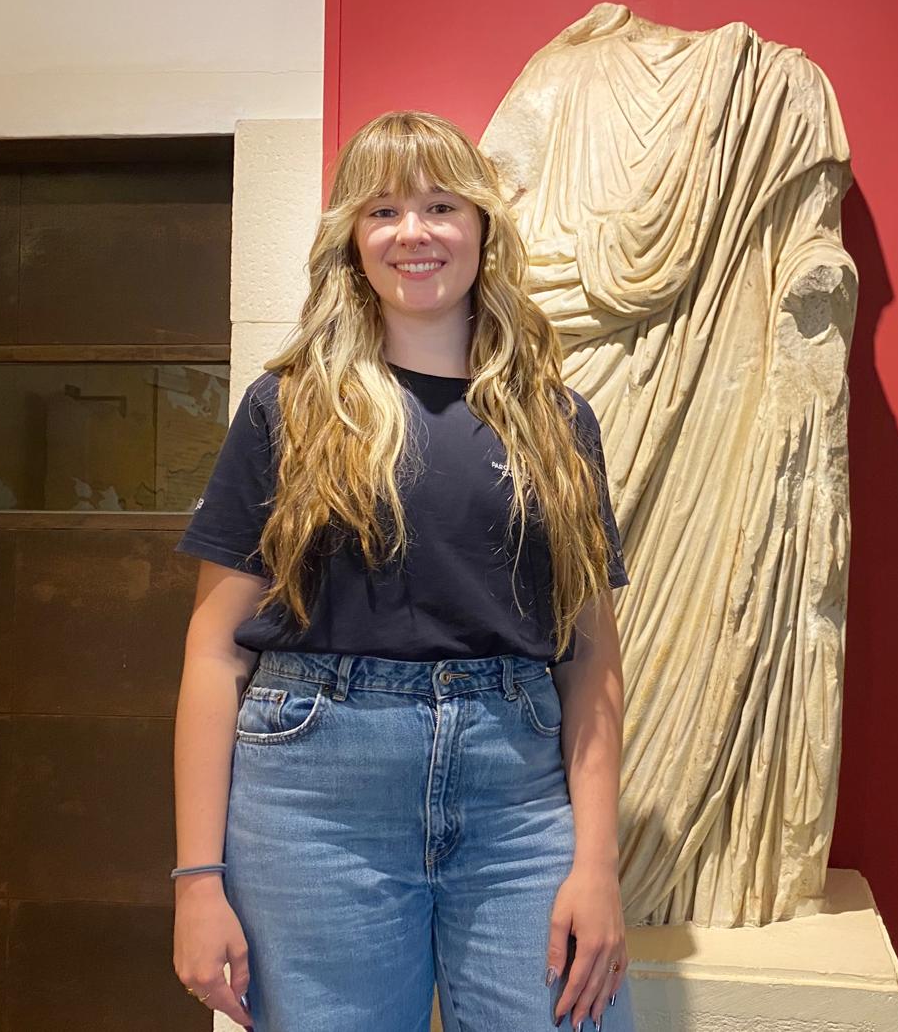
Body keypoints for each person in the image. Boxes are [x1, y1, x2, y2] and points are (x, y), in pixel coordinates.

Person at [170, 109, 635, 1032]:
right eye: (382, 210)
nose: (412, 232)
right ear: (352, 239)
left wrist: (597, 862)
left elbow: (590, 658)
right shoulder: (287, 410)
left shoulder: (557, 420)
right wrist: (195, 880)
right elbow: (215, 651)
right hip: (315, 802)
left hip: (519, 798)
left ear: (482, 229)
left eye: (438, 205)